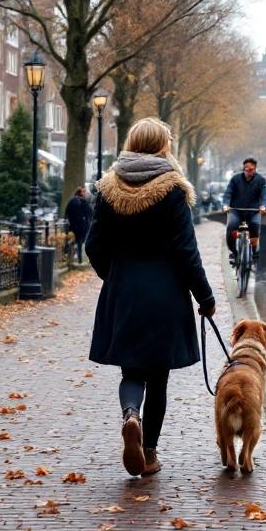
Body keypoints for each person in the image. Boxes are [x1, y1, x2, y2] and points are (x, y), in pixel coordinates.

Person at [86, 117, 215, 478]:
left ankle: (131, 414)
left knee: (132, 371)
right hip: (166, 296)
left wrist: (114, 277)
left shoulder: (108, 189)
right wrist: (204, 296)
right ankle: (150, 453)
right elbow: (186, 252)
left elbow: (93, 245)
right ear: (163, 147)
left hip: (125, 292)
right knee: (158, 377)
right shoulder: (173, 191)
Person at [222, 157, 266, 261]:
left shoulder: (261, 181)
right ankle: (234, 252)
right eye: (247, 169)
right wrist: (226, 204)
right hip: (236, 210)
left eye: (251, 170)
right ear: (243, 169)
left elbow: (265, 195)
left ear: (255, 169)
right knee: (231, 228)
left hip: (253, 211)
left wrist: (264, 206)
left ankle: (254, 250)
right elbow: (228, 193)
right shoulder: (235, 179)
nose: (249, 172)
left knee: (254, 228)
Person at [65, 186, 93, 262]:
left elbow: (67, 213)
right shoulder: (83, 201)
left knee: (71, 242)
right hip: (80, 227)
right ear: (80, 193)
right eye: (84, 191)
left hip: (72, 226)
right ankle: (79, 260)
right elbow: (90, 213)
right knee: (80, 243)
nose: (85, 193)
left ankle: (68, 258)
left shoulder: (71, 200)